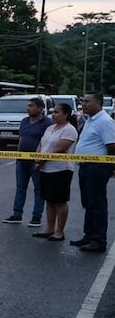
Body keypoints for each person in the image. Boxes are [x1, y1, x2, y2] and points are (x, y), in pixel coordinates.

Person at [71, 91, 115, 252]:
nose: (84, 104)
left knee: (96, 204)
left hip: (97, 167)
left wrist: (109, 166)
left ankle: (98, 240)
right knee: (88, 203)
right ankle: (89, 235)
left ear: (99, 103)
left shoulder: (104, 121)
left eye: (87, 101)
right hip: (86, 166)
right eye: (83, 101)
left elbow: (112, 146)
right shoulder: (90, 120)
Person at [34, 102, 79, 242]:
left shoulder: (69, 130)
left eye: (56, 112)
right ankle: (49, 228)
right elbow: (41, 144)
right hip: (46, 169)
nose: (53, 115)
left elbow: (60, 148)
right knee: (49, 200)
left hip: (61, 169)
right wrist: (37, 158)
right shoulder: (50, 128)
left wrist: (42, 160)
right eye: (53, 112)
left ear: (65, 115)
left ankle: (59, 231)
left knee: (60, 201)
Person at [2, 97, 50, 227]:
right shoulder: (24, 121)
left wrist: (41, 160)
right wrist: (18, 156)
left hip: (36, 161)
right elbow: (21, 139)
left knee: (38, 190)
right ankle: (17, 214)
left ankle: (36, 217)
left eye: (32, 106)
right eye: (28, 106)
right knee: (20, 188)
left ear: (40, 108)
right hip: (22, 160)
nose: (28, 108)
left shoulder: (47, 123)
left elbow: (47, 142)